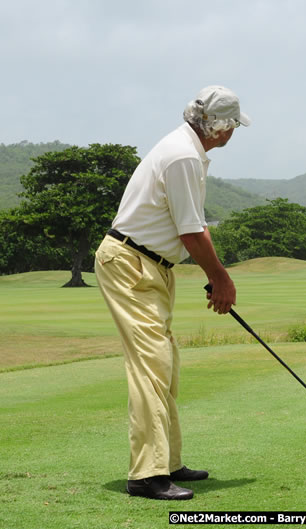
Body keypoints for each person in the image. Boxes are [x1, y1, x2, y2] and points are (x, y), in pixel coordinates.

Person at [94, 86, 249, 500]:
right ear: (220, 126)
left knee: (165, 364)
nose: (233, 132)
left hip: (153, 266)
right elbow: (191, 233)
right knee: (152, 364)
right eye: (233, 125)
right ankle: (146, 475)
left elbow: (195, 225)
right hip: (130, 262)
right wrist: (221, 279)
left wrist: (217, 275)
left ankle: (168, 461)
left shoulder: (188, 151)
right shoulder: (183, 156)